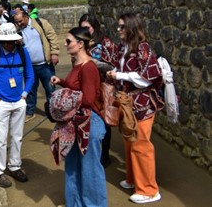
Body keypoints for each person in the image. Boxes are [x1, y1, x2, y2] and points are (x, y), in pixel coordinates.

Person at [106, 13, 163, 204]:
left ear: (131, 27)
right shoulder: (123, 48)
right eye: (118, 27)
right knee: (129, 141)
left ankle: (149, 190)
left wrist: (121, 76)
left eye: (122, 27)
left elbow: (148, 77)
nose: (118, 30)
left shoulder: (143, 48)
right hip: (127, 104)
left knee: (141, 145)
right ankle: (134, 180)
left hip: (143, 105)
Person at [50, 27, 107, 207]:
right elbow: (77, 88)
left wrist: (63, 100)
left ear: (80, 44)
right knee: (73, 166)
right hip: (76, 123)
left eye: (68, 41)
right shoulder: (78, 65)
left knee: (90, 170)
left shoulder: (89, 67)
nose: (65, 45)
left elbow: (89, 99)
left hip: (89, 124)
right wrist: (62, 82)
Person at [0, 23, 34, 188]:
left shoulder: (23, 53)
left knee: (17, 137)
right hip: (0, 103)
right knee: (0, 139)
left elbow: (30, 76)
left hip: (18, 101)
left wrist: (24, 95)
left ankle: (15, 166)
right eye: (5, 42)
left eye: (11, 41)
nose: (8, 45)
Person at [78, 13, 118, 168]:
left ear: (94, 27)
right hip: (88, 87)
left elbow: (111, 65)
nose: (85, 31)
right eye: (82, 28)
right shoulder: (83, 42)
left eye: (87, 28)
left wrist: (91, 63)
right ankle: (92, 153)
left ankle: (104, 156)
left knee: (104, 121)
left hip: (102, 88)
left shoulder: (105, 43)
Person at [13, 10, 59, 122]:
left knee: (50, 89)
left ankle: (54, 112)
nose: (19, 24)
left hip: (45, 64)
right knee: (30, 90)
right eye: (17, 22)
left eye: (20, 21)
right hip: (29, 67)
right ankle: (30, 112)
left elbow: (52, 37)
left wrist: (54, 53)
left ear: (26, 16)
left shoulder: (40, 23)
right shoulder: (17, 30)